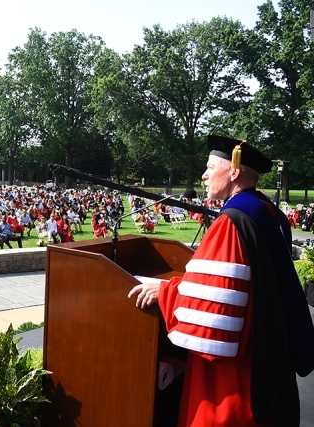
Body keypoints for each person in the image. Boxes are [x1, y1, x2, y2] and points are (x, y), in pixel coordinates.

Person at [128, 135, 314, 427]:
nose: (204, 175)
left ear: (234, 171)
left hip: (236, 376)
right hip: (269, 350)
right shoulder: (271, 213)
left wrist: (164, 290)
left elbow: (213, 310)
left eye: (210, 167)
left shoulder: (231, 222)